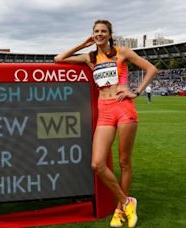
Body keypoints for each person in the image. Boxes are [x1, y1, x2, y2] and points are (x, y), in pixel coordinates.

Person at [54, 19, 157, 228]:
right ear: (93, 34)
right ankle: (127, 201)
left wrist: (135, 91)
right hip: (105, 111)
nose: (99, 34)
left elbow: (151, 69)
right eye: (96, 31)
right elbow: (59, 58)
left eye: (103, 31)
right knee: (97, 164)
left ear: (110, 35)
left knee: (124, 162)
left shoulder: (123, 52)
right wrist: (83, 44)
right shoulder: (90, 57)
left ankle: (119, 212)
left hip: (124, 108)